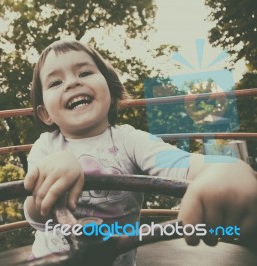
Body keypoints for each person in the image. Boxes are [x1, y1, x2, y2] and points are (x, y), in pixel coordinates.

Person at [23, 39, 257, 265]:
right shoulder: (45, 148)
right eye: (55, 83)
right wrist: (55, 172)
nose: (72, 83)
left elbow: (186, 164)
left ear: (112, 92)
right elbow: (36, 217)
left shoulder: (131, 141)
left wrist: (224, 170)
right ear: (46, 114)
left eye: (84, 73)